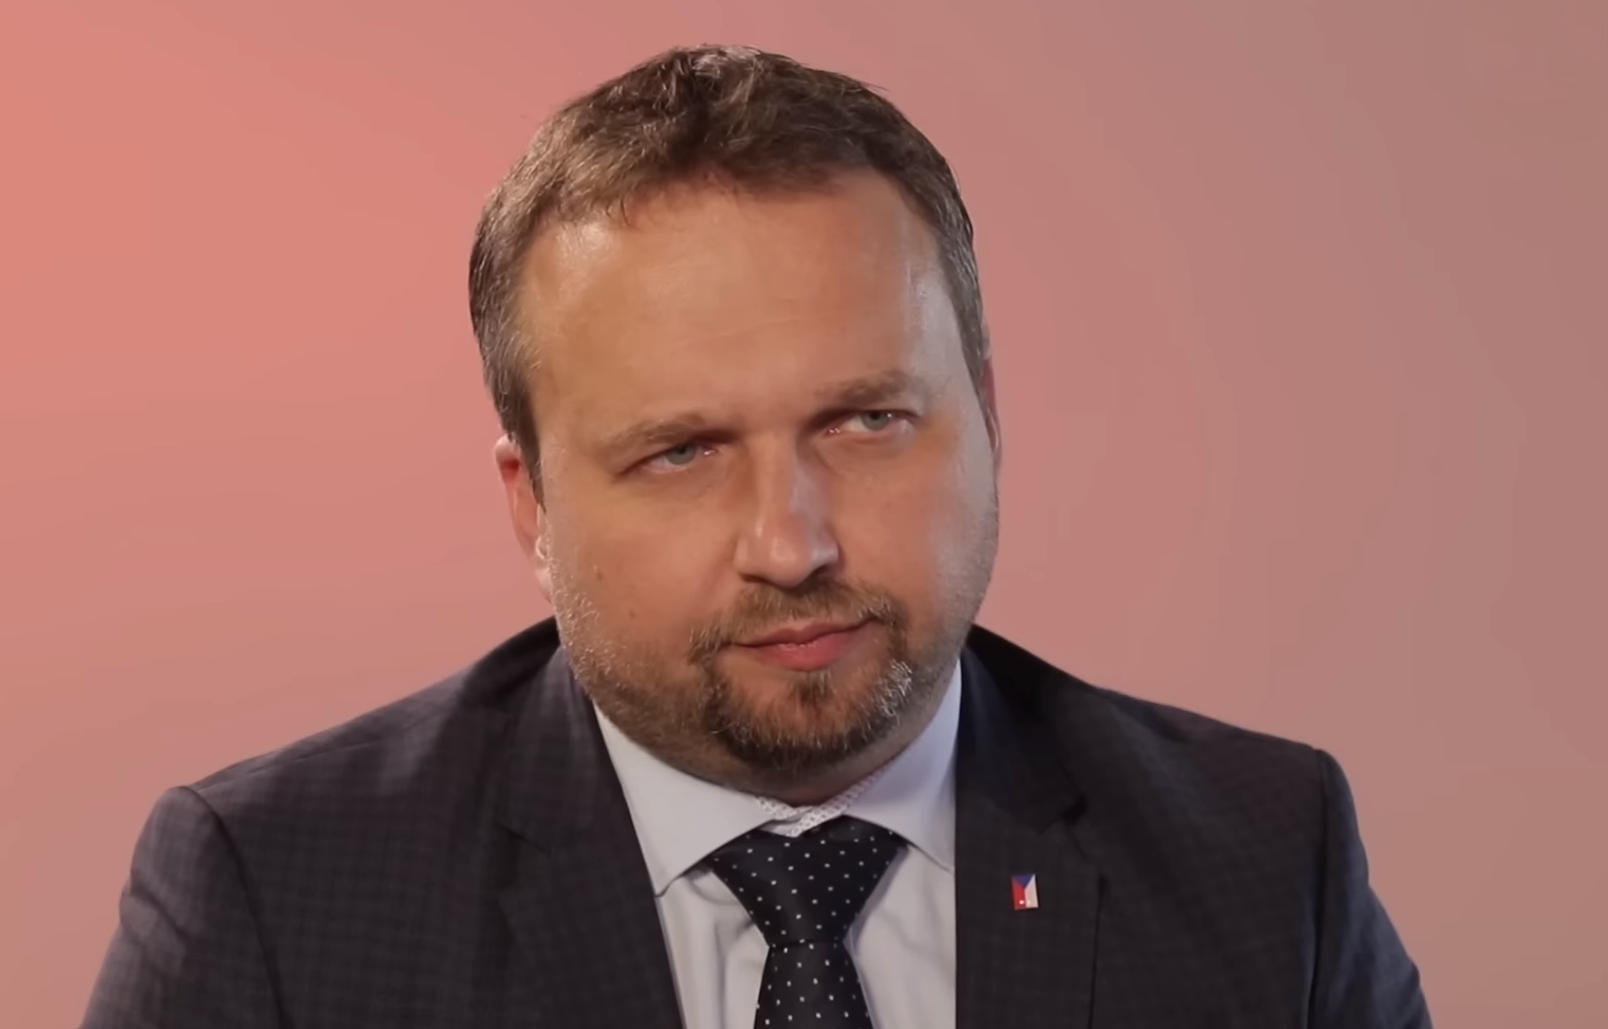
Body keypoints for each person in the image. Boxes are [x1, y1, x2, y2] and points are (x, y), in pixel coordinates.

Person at [80, 43, 1433, 1029]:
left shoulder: (1266, 857)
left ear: (988, 415)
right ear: (532, 505)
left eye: (866, 421)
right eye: (682, 453)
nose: (792, 546)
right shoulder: (277, 895)